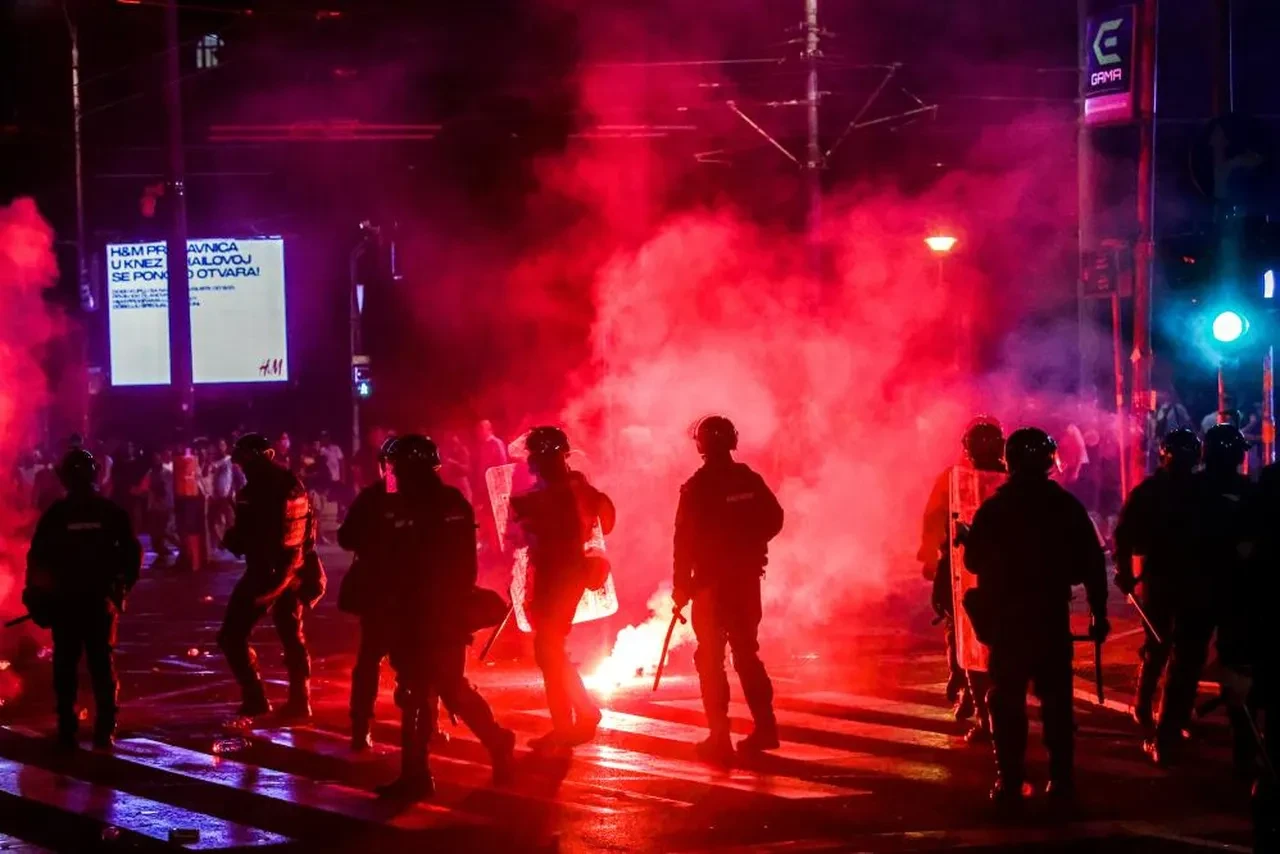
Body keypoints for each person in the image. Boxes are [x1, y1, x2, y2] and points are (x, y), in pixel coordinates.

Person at [962, 427, 1109, 807]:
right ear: (1049, 461)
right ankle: (1062, 781)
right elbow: (1091, 563)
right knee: (1057, 702)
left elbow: (973, 562)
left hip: (1008, 622)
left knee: (1006, 702)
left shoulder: (994, 510)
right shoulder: (1066, 506)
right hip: (1049, 619)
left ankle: (1010, 782)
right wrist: (1099, 612)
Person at [375, 435, 515, 800]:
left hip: (435, 616)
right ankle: (418, 773)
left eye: (398, 466)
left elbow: (437, 568)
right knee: (420, 693)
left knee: (443, 689)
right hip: (424, 614)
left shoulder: (426, 506)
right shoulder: (432, 503)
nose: (394, 473)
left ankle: (495, 743)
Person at [673, 416, 784, 765]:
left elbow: (683, 542)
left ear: (702, 445)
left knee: (709, 659)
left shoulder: (697, 487)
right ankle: (766, 729)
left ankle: (719, 738)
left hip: (710, 586)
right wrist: (750, 545)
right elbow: (775, 518)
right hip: (745, 582)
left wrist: (681, 586)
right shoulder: (747, 479)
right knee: (746, 653)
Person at [1146, 424, 1254, 767]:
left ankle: (1166, 740)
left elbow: (1166, 542)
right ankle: (1245, 751)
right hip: (1234, 594)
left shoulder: (1186, 489)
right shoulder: (1247, 492)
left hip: (1194, 592)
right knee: (1237, 669)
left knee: (1185, 666)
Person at [23, 449, 142, 749]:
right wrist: (122, 587)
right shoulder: (110, 512)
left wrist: (37, 597)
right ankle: (105, 727)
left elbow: (37, 560)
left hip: (66, 604)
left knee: (66, 666)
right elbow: (132, 554)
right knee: (101, 664)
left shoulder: (57, 515)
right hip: (98, 603)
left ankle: (67, 727)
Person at [510, 426, 614, 751]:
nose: (530, 465)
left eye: (533, 458)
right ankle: (566, 724)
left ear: (543, 458)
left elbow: (528, 527)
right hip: (564, 575)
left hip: (558, 577)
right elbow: (607, 518)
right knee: (550, 650)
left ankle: (580, 713)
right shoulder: (578, 487)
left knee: (548, 649)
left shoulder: (550, 495)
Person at [917, 418, 1004, 741]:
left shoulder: (957, 479)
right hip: (976, 573)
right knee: (970, 637)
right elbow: (935, 519)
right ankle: (974, 694)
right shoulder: (962, 480)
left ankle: (978, 703)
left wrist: (930, 558)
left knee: (965, 636)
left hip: (970, 572)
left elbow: (933, 520)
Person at [217, 433, 315, 717]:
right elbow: (310, 527)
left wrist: (230, 539)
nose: (241, 467)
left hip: (265, 573)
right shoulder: (294, 484)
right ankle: (301, 702)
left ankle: (256, 697)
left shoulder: (253, 493)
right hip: (294, 568)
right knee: (292, 636)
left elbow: (245, 538)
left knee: (231, 636)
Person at [1113, 429, 1202, 734]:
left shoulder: (1158, 490)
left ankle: (1167, 709)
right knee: (1167, 647)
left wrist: (1124, 571)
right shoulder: (1165, 491)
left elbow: (1123, 537)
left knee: (1172, 648)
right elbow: (1123, 537)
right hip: (1171, 578)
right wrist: (1124, 570)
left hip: (1179, 578)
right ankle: (1153, 707)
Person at [338, 435, 400, 750]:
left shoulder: (374, 497)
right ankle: (421, 726)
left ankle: (361, 727)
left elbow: (346, 538)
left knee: (371, 661)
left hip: (387, 592)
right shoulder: (427, 496)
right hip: (405, 592)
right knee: (416, 663)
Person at [207, 439, 236, 549]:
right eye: (219, 445)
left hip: (226, 495)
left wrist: (231, 490)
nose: (220, 447)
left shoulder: (229, 460)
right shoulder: (215, 462)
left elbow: (234, 476)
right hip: (217, 497)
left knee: (230, 520)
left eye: (223, 445)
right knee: (216, 521)